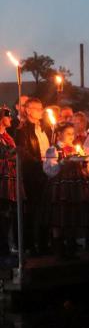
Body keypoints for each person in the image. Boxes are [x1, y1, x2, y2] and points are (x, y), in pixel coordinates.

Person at [43, 122, 89, 259]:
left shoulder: (78, 149)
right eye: (68, 133)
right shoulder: (54, 150)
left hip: (76, 186)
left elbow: (87, 171)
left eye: (73, 133)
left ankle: (71, 248)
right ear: (59, 134)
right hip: (61, 186)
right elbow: (49, 170)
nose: (72, 136)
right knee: (59, 217)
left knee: (73, 216)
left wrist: (85, 163)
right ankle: (59, 249)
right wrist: (62, 163)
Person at [15, 98, 51, 255]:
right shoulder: (22, 131)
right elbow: (23, 152)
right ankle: (29, 245)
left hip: (45, 173)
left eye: (41, 108)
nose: (40, 111)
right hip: (32, 174)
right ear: (28, 110)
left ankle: (44, 243)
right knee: (31, 211)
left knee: (45, 210)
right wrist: (38, 163)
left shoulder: (45, 129)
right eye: (37, 108)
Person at [0, 106, 17, 261]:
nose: (10, 119)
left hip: (9, 178)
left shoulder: (8, 137)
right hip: (1, 178)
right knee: (2, 213)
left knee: (7, 213)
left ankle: (5, 244)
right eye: (8, 116)